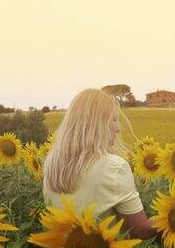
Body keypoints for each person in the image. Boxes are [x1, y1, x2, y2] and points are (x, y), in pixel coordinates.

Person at [42, 88, 156, 239]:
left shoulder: (52, 164)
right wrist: (174, 216)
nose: (118, 128)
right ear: (97, 125)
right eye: (113, 120)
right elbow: (140, 230)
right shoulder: (113, 168)